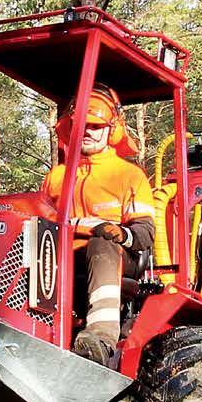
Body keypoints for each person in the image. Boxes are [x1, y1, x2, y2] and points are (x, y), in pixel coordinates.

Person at [42, 86, 155, 366]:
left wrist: (121, 233)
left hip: (113, 255)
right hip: (59, 255)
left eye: (96, 126)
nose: (89, 132)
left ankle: (101, 338)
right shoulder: (56, 177)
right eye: (83, 126)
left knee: (100, 243)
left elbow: (145, 233)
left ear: (112, 130)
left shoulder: (130, 175)